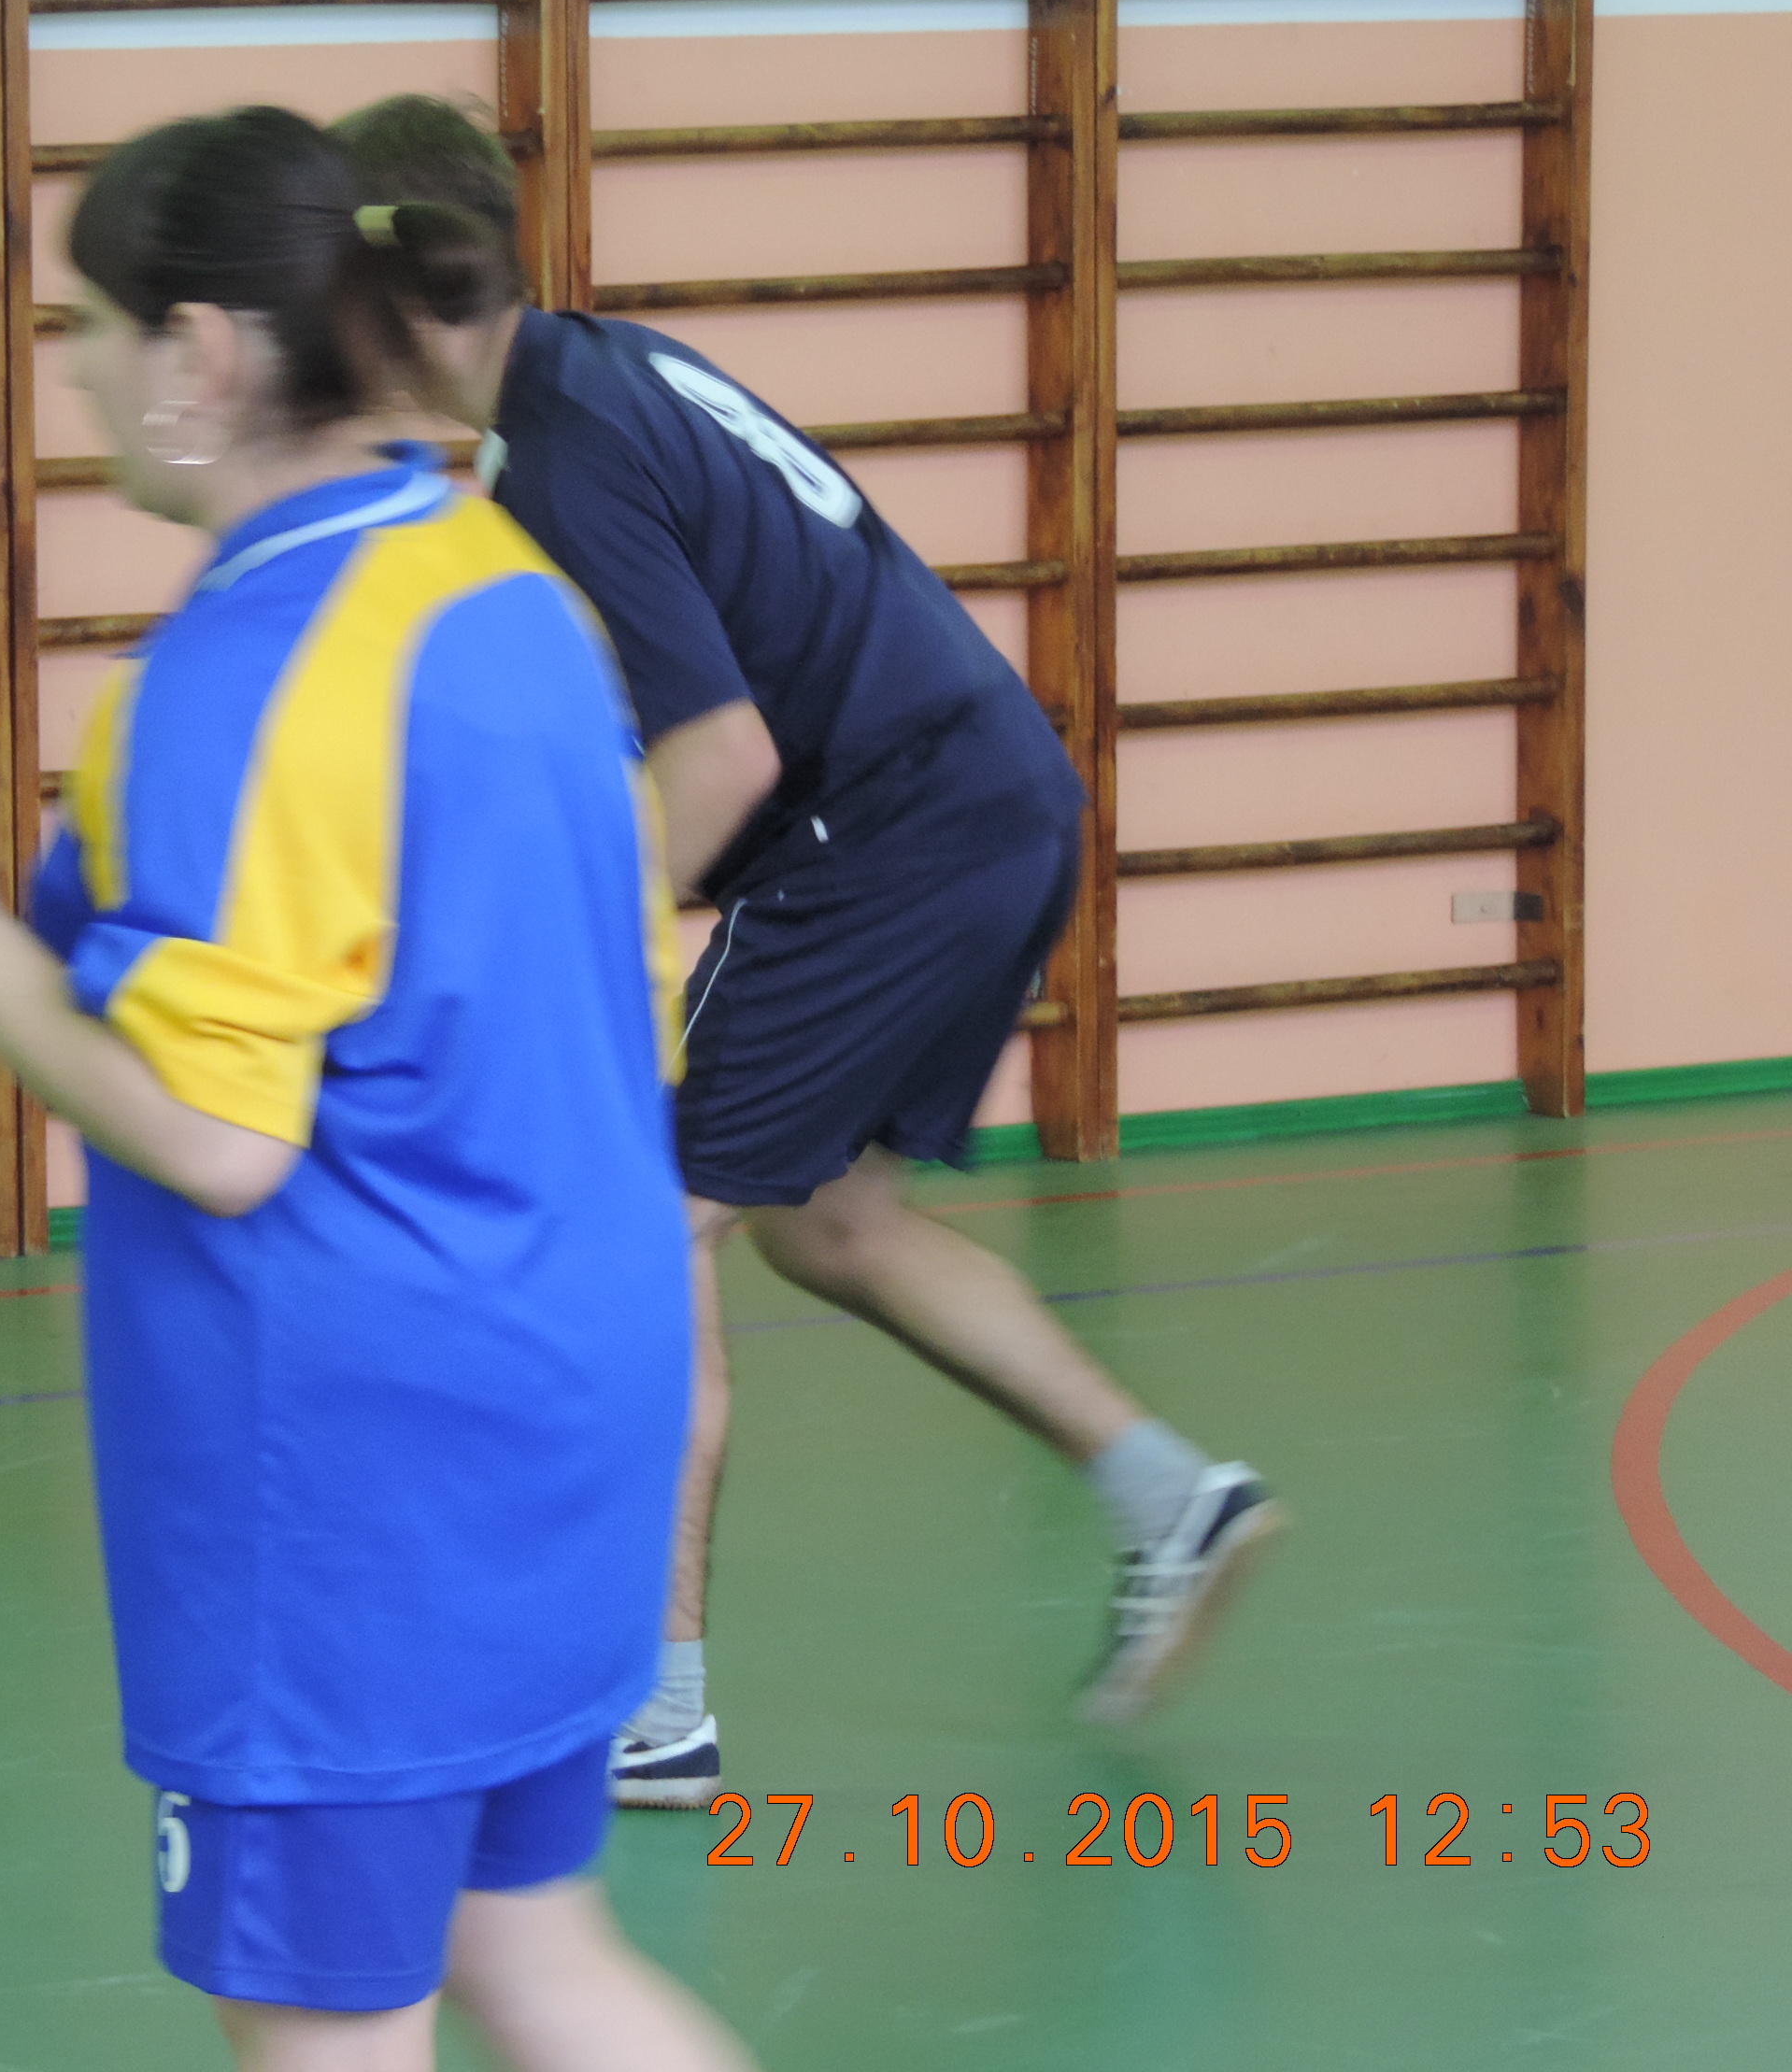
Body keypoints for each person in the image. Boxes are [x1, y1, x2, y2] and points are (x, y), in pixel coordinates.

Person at [0, 106, 757, 2072]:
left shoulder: (246, 674)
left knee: (331, 2029)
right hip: (573, 1391)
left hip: (356, 1471)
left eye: (89, 325)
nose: (75, 370)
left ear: (201, 352)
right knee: (536, 1955)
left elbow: (222, 1140)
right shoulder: (504, 585)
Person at [333, 93, 1285, 1805]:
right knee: (829, 1225)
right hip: (996, 796)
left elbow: (724, 758)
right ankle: (1171, 1499)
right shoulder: (598, 368)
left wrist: (553, 959)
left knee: (644, 1216)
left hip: (895, 832)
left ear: (389, 304)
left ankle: (657, 1707)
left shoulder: (559, 457)